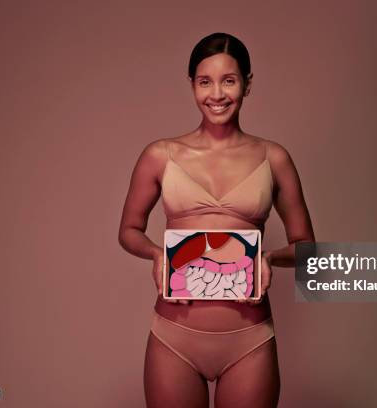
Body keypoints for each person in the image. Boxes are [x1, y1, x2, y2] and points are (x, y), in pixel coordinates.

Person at [118, 32, 315, 408]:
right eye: (205, 81)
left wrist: (270, 259)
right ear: (191, 84)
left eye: (229, 80)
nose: (217, 94)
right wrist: (158, 254)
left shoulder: (274, 158)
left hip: (250, 340)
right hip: (173, 336)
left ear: (247, 84)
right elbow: (128, 231)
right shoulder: (161, 155)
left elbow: (308, 249)